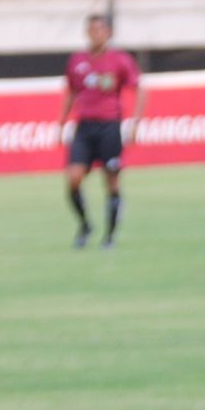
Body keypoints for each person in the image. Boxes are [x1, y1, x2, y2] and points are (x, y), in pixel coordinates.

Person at [59, 14, 144, 249]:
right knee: (73, 178)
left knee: (111, 180)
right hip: (84, 127)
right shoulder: (77, 60)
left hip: (109, 126)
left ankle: (110, 235)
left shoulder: (120, 60)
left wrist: (135, 122)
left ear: (108, 33)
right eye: (91, 30)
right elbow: (72, 92)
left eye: (100, 30)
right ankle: (85, 224)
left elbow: (138, 88)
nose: (95, 34)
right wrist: (61, 121)